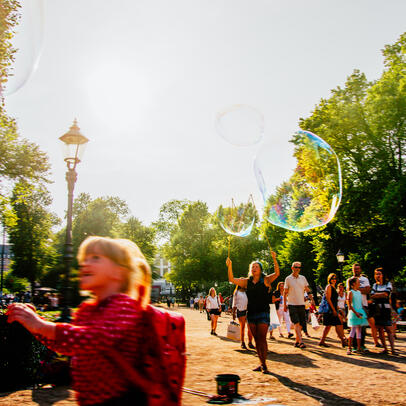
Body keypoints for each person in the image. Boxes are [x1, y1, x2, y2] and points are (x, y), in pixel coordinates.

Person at [6, 236, 152, 406]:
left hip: (121, 400)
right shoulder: (88, 310)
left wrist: (41, 325)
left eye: (95, 258)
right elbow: (68, 345)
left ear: (118, 272)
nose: (85, 263)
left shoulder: (124, 306)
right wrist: (34, 325)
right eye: (84, 259)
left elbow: (95, 338)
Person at [226, 250, 280, 374]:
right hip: (251, 313)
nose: (254, 268)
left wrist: (274, 259)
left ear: (260, 269)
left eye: (256, 267)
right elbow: (231, 279)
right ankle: (261, 363)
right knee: (256, 339)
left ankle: (264, 364)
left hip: (263, 312)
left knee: (262, 339)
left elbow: (277, 273)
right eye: (253, 267)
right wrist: (230, 266)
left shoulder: (266, 280)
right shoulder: (247, 282)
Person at [283, 261, 314, 349]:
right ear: (292, 268)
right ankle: (301, 341)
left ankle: (297, 341)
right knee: (296, 322)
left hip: (301, 304)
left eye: (299, 267)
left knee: (300, 324)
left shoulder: (303, 278)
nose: (297, 269)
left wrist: (312, 299)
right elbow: (285, 293)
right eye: (296, 267)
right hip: (292, 304)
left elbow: (307, 289)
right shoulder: (288, 279)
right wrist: (285, 304)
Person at [349, 263, 379, 349]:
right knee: (354, 327)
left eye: (358, 269)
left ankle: (361, 344)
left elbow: (367, 290)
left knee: (363, 327)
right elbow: (349, 291)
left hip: (363, 305)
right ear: (352, 270)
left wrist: (356, 288)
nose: (356, 270)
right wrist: (361, 289)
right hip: (354, 306)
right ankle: (354, 345)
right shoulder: (349, 279)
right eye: (355, 269)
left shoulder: (365, 279)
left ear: (360, 270)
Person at [370, 268, 396, 355]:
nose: (378, 276)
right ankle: (385, 349)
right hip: (377, 309)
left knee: (388, 329)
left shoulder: (388, 284)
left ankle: (392, 349)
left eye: (379, 274)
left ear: (383, 275)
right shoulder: (374, 285)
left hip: (386, 309)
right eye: (376, 274)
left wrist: (377, 295)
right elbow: (372, 296)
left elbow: (386, 294)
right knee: (380, 329)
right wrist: (380, 295)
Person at [318, 273, 347, 348]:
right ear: (329, 279)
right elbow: (328, 299)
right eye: (332, 279)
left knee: (329, 326)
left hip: (333, 309)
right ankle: (343, 340)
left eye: (335, 278)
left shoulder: (333, 287)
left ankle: (322, 341)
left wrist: (337, 308)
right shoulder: (329, 287)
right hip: (330, 310)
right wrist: (334, 309)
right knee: (337, 323)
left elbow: (334, 300)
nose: (334, 280)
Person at [347, 276, 369, 355]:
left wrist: (364, 311)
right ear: (353, 283)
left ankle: (359, 347)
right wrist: (356, 312)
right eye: (358, 282)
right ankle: (349, 348)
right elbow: (349, 305)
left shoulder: (359, 292)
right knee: (353, 331)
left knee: (359, 331)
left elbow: (361, 303)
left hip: (360, 311)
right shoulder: (351, 292)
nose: (359, 283)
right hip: (354, 313)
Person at [232, 285, 254, 349]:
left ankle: (250, 342)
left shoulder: (247, 291)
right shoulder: (236, 292)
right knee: (242, 327)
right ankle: (242, 342)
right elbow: (234, 302)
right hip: (240, 310)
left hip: (249, 310)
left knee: (250, 327)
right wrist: (233, 312)